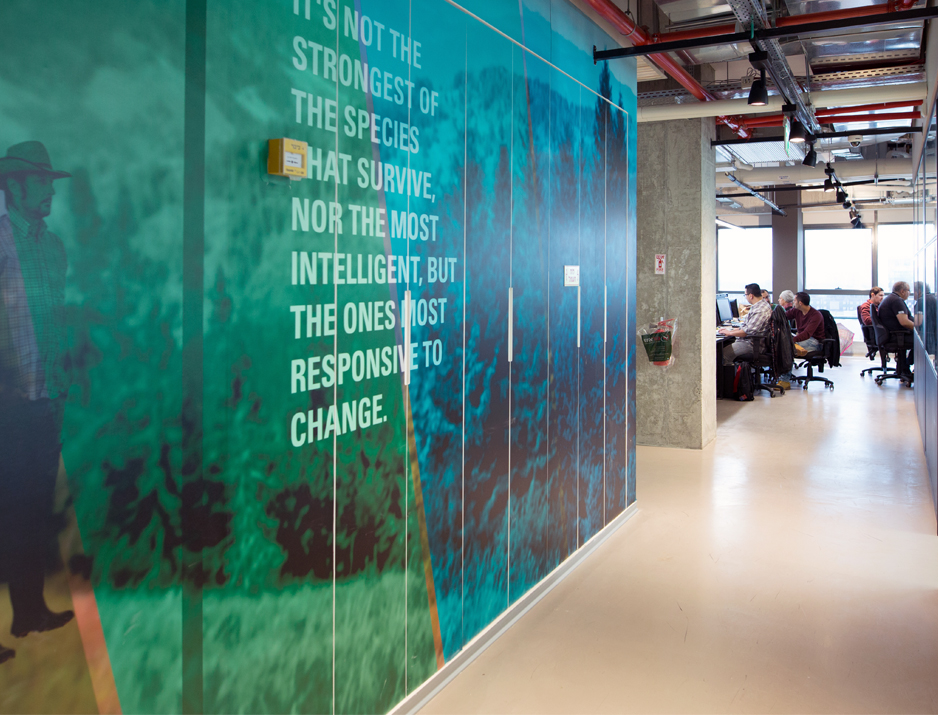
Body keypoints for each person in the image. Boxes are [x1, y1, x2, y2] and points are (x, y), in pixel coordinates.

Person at [0, 141, 75, 664]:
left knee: (30, 510)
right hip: (6, 404)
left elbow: (59, 323)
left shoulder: (53, 248)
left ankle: (28, 611)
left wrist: (60, 390)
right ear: (14, 184)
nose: (49, 190)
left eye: (50, 181)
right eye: (40, 180)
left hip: (43, 402)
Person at [720, 283, 773, 364]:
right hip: (750, 341)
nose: (745, 297)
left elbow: (746, 332)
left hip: (753, 345)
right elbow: (747, 327)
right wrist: (731, 330)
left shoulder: (760, 310)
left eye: (745, 295)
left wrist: (730, 333)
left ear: (751, 296)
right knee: (723, 345)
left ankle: (729, 371)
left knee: (723, 354)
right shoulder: (759, 306)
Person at [877, 280, 915, 382]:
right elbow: (904, 322)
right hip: (898, 336)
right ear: (902, 291)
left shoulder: (891, 298)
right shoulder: (896, 301)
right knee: (923, 340)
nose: (909, 293)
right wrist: (918, 330)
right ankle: (907, 365)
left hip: (894, 335)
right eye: (908, 290)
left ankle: (905, 367)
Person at [786, 292, 826, 356]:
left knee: (787, 347)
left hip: (814, 341)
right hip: (803, 339)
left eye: (794, 300)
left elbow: (807, 334)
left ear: (800, 303)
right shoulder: (796, 310)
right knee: (785, 344)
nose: (793, 302)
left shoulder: (816, 315)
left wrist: (792, 340)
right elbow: (784, 316)